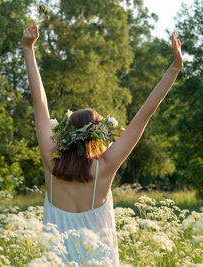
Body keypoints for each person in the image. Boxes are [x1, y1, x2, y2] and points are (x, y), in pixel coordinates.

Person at [23, 19, 183, 265]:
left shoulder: (51, 160)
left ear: (67, 134)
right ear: (97, 138)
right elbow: (144, 115)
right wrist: (174, 69)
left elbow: (39, 103)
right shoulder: (105, 167)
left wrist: (28, 48)